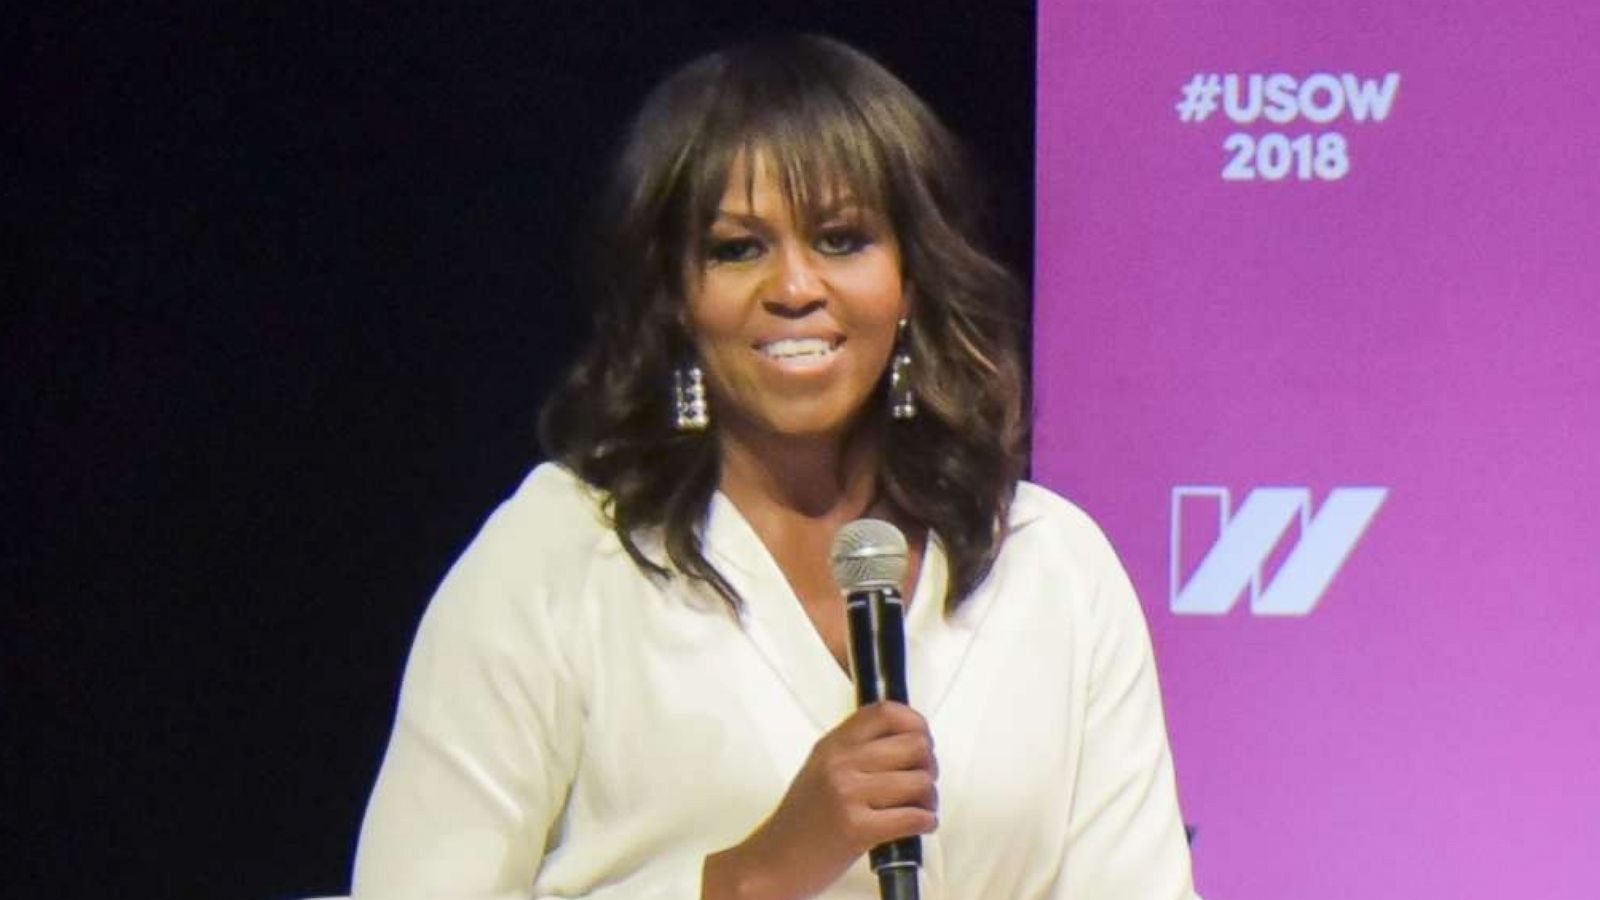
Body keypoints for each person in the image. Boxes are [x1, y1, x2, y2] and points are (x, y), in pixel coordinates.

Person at [351, 34, 1199, 900]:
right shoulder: (562, 556)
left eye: (840, 240)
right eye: (737, 248)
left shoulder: (1047, 561)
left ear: (910, 280)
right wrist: (757, 875)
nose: (794, 286)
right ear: (678, 297)